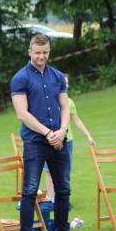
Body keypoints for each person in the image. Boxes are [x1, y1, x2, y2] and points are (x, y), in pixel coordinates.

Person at [10, 34, 85, 231]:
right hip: (35, 142)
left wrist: (61, 131)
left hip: (58, 140)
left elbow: (64, 107)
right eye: (37, 52)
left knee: (63, 190)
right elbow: (22, 114)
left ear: (49, 52)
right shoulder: (20, 78)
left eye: (45, 52)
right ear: (30, 51)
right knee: (30, 190)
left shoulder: (58, 76)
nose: (41, 56)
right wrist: (48, 133)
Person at [43, 73, 95, 201]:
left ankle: (63, 199)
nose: (65, 85)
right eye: (63, 82)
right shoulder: (47, 100)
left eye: (67, 83)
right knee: (49, 171)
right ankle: (51, 199)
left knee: (65, 171)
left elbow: (76, 120)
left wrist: (88, 135)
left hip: (67, 141)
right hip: (49, 140)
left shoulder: (69, 102)